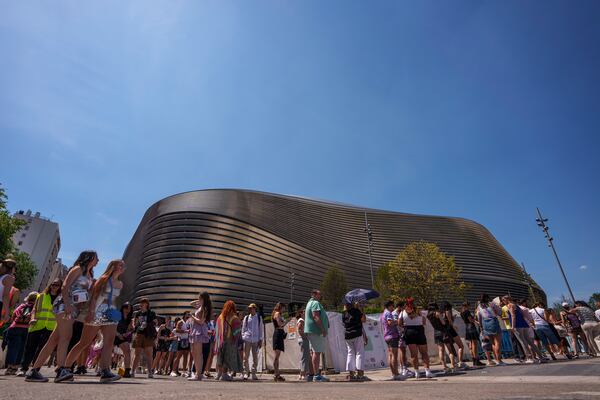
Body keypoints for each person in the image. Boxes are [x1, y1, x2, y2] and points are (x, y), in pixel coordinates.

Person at [26, 250, 98, 383]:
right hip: (64, 306)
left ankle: (34, 371)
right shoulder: (77, 269)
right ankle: (61, 370)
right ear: (89, 258)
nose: (98, 260)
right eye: (96, 258)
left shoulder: (89, 274)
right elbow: (65, 286)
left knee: (53, 340)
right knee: (66, 337)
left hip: (73, 308)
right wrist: (67, 304)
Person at [62, 259, 125, 383]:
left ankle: (105, 371)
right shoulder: (104, 279)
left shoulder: (120, 284)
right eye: (120, 265)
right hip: (97, 310)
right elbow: (94, 297)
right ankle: (65, 368)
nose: (123, 267)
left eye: (123, 266)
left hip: (111, 312)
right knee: (84, 342)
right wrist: (91, 312)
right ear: (113, 267)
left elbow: (113, 299)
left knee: (109, 342)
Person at [17, 279, 62, 376]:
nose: (54, 286)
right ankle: (23, 368)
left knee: (42, 348)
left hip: (50, 327)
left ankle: (35, 369)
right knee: (30, 348)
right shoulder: (41, 296)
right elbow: (34, 310)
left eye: (57, 285)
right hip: (37, 325)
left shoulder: (61, 298)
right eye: (53, 284)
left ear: (60, 287)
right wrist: (32, 319)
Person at [3, 292, 37, 375]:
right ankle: (15, 367)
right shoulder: (35, 308)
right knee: (21, 349)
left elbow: (14, 315)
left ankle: (10, 367)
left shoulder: (22, 306)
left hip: (15, 328)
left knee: (13, 348)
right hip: (27, 330)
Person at [398, 298, 432, 379]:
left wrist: (406, 325)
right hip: (419, 331)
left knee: (413, 354)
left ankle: (417, 373)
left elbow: (399, 323)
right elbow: (424, 322)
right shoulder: (419, 311)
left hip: (409, 332)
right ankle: (427, 371)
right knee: (424, 352)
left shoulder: (402, 312)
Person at [505, 296, 544, 363]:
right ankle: (541, 357)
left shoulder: (510, 305)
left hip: (517, 325)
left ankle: (529, 358)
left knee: (523, 342)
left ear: (507, 300)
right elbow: (523, 315)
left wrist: (513, 326)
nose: (503, 302)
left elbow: (513, 316)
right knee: (530, 342)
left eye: (504, 300)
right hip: (524, 324)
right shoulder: (517, 305)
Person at [304, 290, 330, 382]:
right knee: (317, 352)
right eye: (319, 294)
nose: (321, 295)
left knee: (313, 353)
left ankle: (311, 374)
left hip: (310, 331)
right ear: (314, 295)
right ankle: (317, 375)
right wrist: (323, 329)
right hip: (316, 331)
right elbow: (316, 316)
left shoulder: (309, 303)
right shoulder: (315, 303)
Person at [215, 300, 243, 381]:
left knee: (220, 357)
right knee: (227, 357)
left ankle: (219, 373)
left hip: (220, 340)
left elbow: (216, 330)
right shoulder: (234, 318)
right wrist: (236, 339)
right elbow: (237, 332)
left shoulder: (220, 317)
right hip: (230, 340)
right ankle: (224, 374)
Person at [131, 298, 158, 378]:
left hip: (148, 335)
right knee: (137, 354)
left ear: (147, 304)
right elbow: (135, 323)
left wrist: (147, 324)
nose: (141, 304)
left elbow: (155, 322)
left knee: (149, 354)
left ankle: (150, 372)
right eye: (141, 303)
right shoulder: (138, 313)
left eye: (143, 303)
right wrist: (135, 327)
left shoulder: (151, 313)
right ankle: (132, 371)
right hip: (139, 334)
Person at [188, 292, 212, 380]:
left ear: (204, 299)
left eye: (200, 298)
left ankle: (198, 374)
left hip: (200, 330)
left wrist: (192, 316)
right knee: (194, 352)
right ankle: (198, 374)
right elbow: (191, 303)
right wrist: (198, 300)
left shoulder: (205, 308)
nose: (198, 300)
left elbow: (201, 321)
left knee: (198, 354)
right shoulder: (201, 307)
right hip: (195, 330)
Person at [476, 294, 504, 366]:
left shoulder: (479, 307)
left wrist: (481, 326)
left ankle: (496, 359)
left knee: (492, 343)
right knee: (497, 342)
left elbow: (479, 317)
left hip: (485, 323)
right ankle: (499, 360)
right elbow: (499, 312)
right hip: (493, 322)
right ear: (487, 298)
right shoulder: (491, 304)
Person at [427, 302, 456, 373]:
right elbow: (443, 323)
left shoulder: (429, 315)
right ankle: (452, 365)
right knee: (450, 350)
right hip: (443, 332)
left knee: (441, 350)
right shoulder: (437, 313)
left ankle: (444, 366)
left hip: (436, 333)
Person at [342, 301, 367, 381]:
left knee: (350, 353)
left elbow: (344, 323)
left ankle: (351, 373)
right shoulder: (357, 311)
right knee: (359, 352)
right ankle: (360, 373)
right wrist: (360, 309)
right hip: (357, 334)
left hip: (348, 335)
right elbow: (363, 320)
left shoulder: (344, 313)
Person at [241, 303, 263, 381]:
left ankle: (253, 373)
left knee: (255, 357)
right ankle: (246, 373)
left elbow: (261, 329)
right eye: (249, 308)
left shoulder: (259, 318)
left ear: (255, 309)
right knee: (245, 357)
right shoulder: (246, 318)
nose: (250, 309)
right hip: (247, 339)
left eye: (252, 308)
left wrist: (260, 339)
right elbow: (243, 328)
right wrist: (244, 336)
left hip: (255, 340)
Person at [441, 302, 466, 369]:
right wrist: (454, 326)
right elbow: (449, 321)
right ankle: (460, 362)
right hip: (450, 329)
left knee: (450, 350)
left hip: (444, 331)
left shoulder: (441, 313)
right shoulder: (447, 311)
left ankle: (452, 364)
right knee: (461, 346)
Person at [501, 296, 525, 363]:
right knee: (514, 341)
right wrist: (509, 317)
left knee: (520, 340)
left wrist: (512, 317)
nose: (503, 301)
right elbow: (502, 317)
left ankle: (523, 355)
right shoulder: (503, 308)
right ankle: (517, 356)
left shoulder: (513, 305)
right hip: (509, 326)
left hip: (515, 325)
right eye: (503, 300)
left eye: (504, 300)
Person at [381, 300, 401, 380]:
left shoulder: (383, 313)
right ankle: (395, 374)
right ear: (389, 306)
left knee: (390, 355)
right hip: (392, 336)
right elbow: (390, 323)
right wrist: (398, 321)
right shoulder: (388, 313)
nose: (393, 308)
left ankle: (393, 373)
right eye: (392, 306)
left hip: (387, 336)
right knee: (394, 355)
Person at [460, 302, 485, 367]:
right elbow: (470, 320)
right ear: (467, 306)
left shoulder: (461, 312)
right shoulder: (467, 312)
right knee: (475, 344)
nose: (470, 307)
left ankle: (474, 360)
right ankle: (476, 360)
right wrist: (475, 320)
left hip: (467, 327)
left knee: (471, 344)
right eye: (469, 306)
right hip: (471, 327)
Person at [114, 303, 134, 377]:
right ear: (123, 308)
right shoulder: (118, 315)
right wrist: (118, 334)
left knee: (127, 351)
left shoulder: (129, 319)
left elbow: (131, 329)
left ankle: (127, 371)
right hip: (114, 334)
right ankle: (102, 369)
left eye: (129, 309)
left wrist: (127, 333)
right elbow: (113, 326)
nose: (127, 310)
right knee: (107, 351)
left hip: (122, 337)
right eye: (126, 308)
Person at [392, 301, 411, 376]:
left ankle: (403, 368)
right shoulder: (395, 313)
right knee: (402, 351)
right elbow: (397, 324)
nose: (404, 308)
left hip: (402, 334)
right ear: (400, 306)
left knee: (402, 351)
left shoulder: (399, 313)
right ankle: (403, 369)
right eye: (403, 307)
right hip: (399, 334)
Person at [271, 302, 287, 382]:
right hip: (277, 334)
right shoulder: (277, 314)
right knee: (276, 356)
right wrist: (286, 321)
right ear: (281, 307)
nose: (285, 309)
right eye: (284, 307)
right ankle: (276, 374)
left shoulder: (279, 314)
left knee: (277, 356)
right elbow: (279, 324)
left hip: (280, 334)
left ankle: (277, 374)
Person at [296, 309, 313, 381]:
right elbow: (299, 329)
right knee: (305, 357)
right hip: (303, 340)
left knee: (306, 357)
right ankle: (303, 374)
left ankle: (301, 374)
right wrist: (305, 337)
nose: (305, 313)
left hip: (303, 339)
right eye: (304, 312)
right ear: (301, 313)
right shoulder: (301, 320)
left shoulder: (302, 320)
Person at [0, 257, 17, 327]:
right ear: (12, 268)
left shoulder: (1, 276)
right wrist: (7, 313)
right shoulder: (9, 278)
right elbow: (5, 296)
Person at [203, 313, 217, 378]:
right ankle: (205, 370)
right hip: (209, 340)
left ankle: (208, 370)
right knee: (208, 356)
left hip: (214, 341)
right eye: (214, 316)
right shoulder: (210, 322)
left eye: (216, 316)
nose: (215, 317)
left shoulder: (218, 323)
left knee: (211, 356)